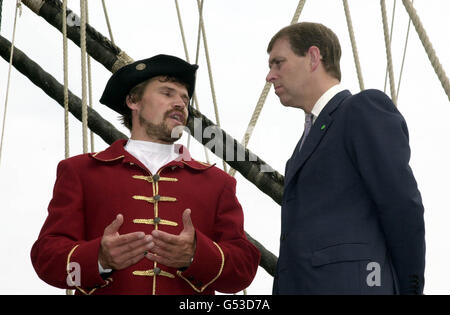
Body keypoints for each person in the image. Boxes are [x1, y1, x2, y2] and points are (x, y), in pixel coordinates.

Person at [31, 54, 260, 295]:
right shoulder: (80, 171)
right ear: (133, 100)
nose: (181, 104)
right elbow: (47, 261)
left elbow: (243, 271)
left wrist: (195, 254)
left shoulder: (218, 182)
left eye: (184, 98)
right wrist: (99, 258)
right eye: (167, 93)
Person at [265, 22, 425, 295]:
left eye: (278, 63)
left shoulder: (362, 109)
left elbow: (401, 205)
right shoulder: (299, 150)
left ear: (314, 57)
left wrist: (410, 291)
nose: (270, 76)